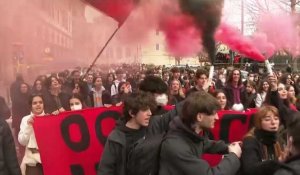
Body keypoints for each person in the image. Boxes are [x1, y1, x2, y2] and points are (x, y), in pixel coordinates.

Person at [158, 91, 242, 175]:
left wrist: (229, 147)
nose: (217, 117)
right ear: (199, 117)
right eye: (213, 114)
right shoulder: (176, 146)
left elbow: (205, 144)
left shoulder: (189, 133)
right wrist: (233, 156)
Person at [98, 92, 156, 175]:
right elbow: (105, 170)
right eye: (144, 110)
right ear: (132, 113)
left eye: (150, 109)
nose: (150, 113)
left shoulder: (151, 131)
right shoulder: (115, 138)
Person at [241, 105, 283, 175]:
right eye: (267, 120)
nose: (273, 122)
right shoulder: (250, 141)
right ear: (259, 123)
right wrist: (277, 162)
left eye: (276, 119)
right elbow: (250, 169)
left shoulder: (277, 139)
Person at [18, 94, 46, 175]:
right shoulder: (25, 119)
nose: (38, 104)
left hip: (49, 159)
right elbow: (22, 142)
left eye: (40, 102)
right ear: (31, 105)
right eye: (35, 103)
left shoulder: (49, 117)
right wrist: (29, 126)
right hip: (32, 160)